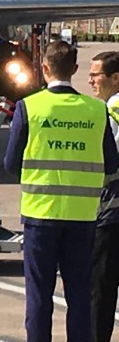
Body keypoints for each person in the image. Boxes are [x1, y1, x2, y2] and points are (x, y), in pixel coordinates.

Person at [4, 39, 118, 342]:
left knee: (39, 297)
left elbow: (10, 163)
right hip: (82, 219)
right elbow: (110, 164)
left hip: (40, 216)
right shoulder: (96, 111)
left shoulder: (29, 108)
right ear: (76, 69)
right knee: (80, 296)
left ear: (43, 69)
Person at [90, 50, 119, 342]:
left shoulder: (110, 112)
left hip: (111, 214)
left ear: (115, 78)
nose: (90, 81)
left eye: (96, 75)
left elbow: (110, 165)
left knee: (101, 294)